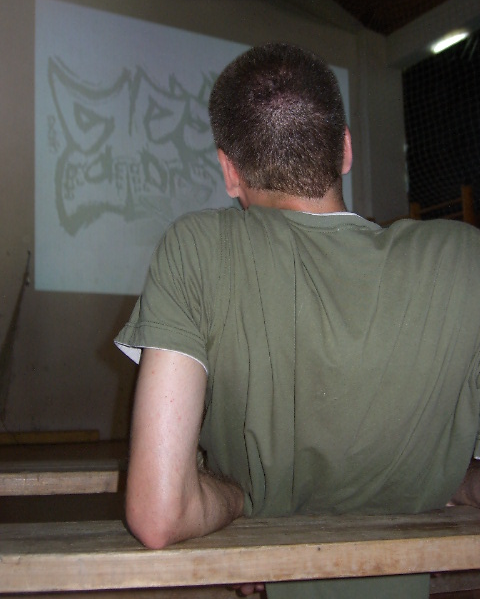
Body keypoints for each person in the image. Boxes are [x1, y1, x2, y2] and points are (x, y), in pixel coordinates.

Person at [115, 43, 480, 599]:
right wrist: (443, 478)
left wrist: (242, 500)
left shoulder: (197, 248)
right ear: (346, 150)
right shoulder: (465, 259)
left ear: (229, 172)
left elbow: (160, 514)